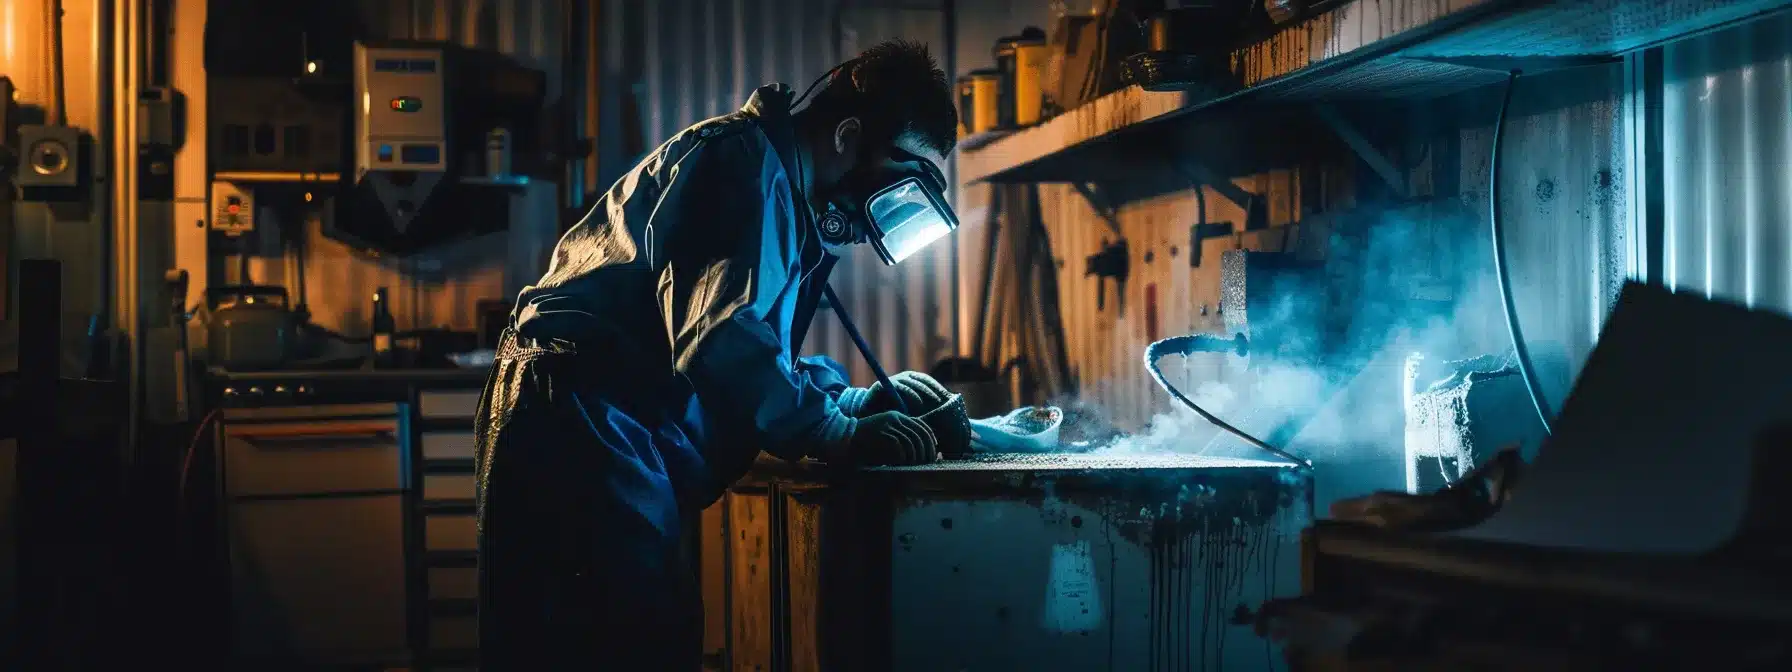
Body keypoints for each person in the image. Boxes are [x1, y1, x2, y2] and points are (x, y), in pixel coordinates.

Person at [473, 40, 964, 670]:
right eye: (908, 175)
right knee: (603, 644)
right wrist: (833, 427)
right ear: (848, 135)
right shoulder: (741, 162)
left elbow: (751, 346)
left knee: (639, 636)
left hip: (603, 426)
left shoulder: (779, 190)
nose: (897, 205)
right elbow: (719, 340)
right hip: (577, 421)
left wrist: (847, 398)